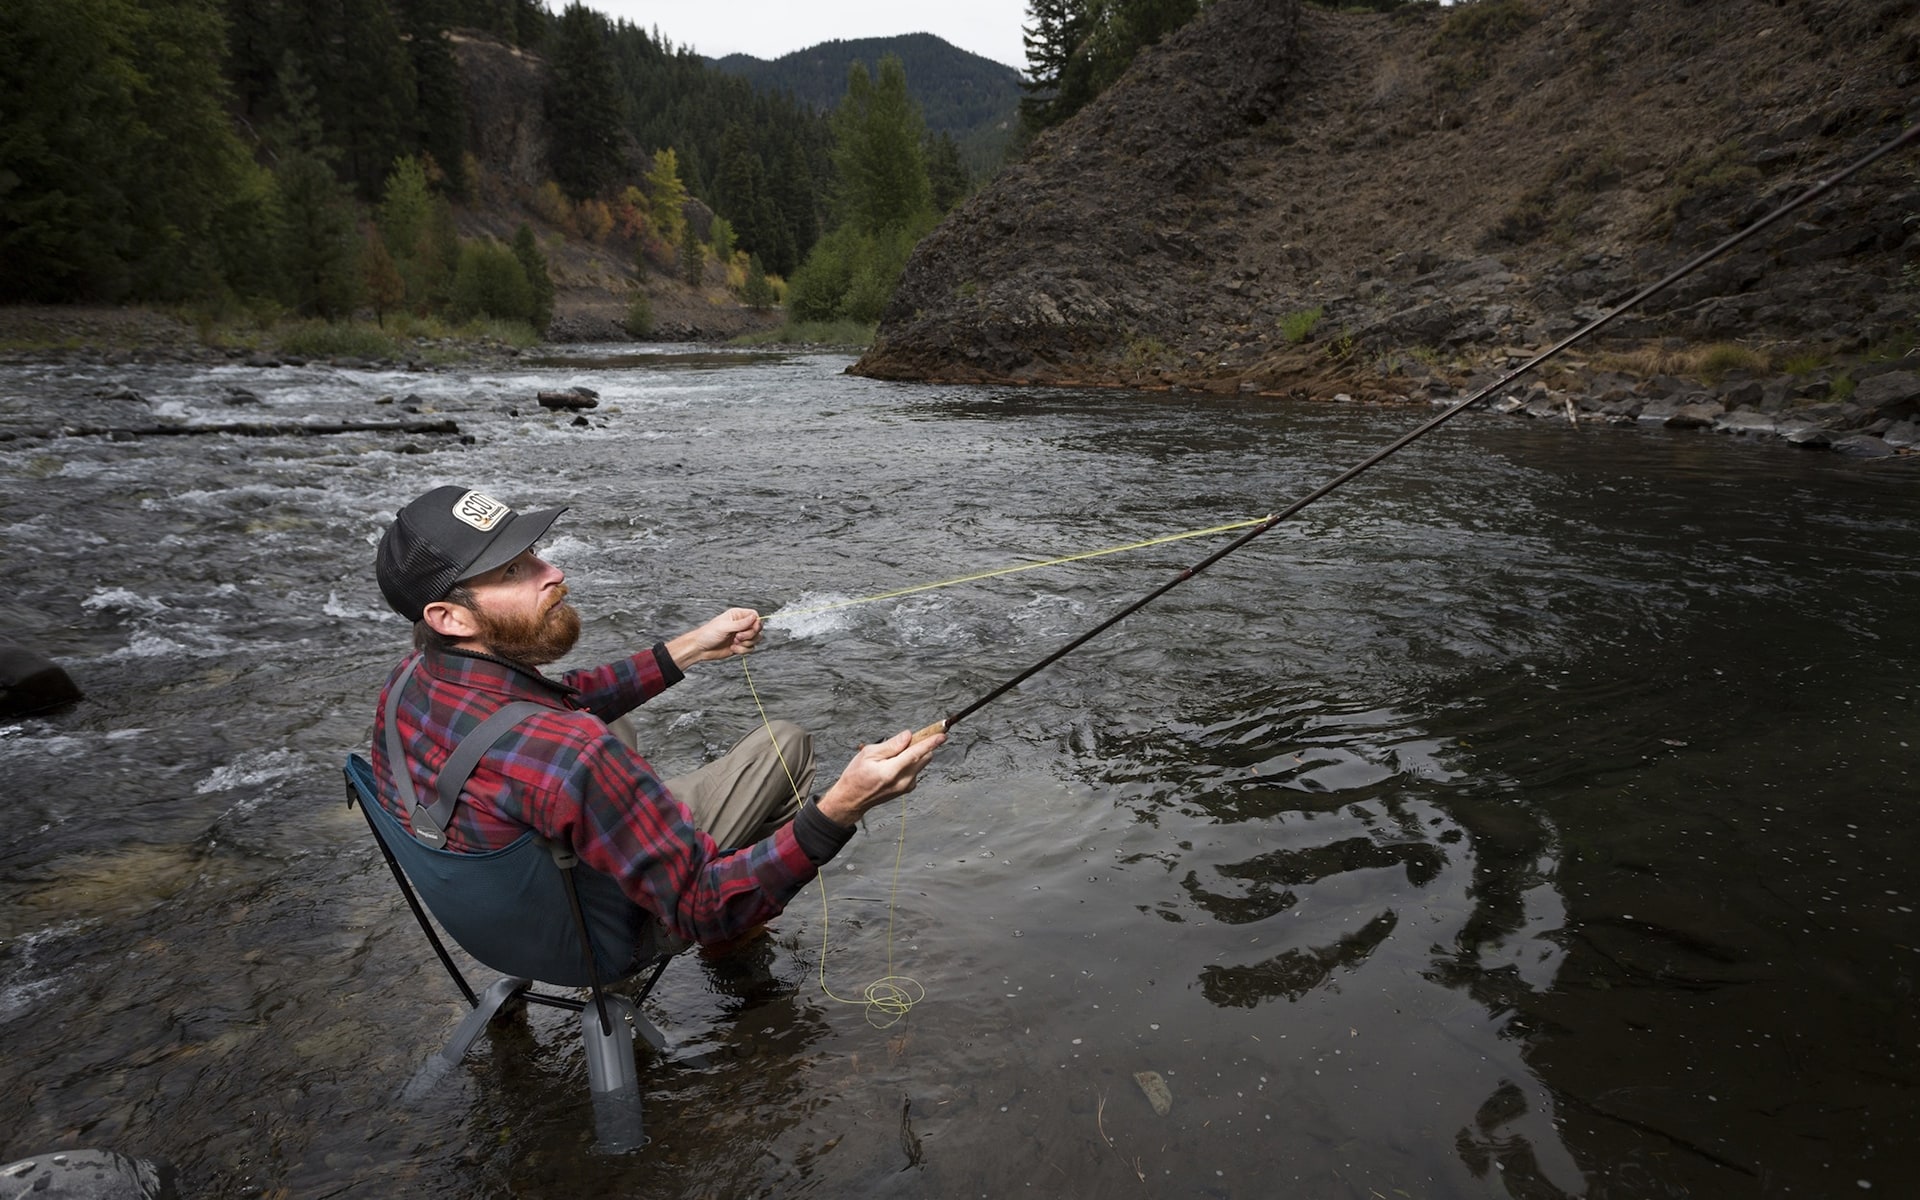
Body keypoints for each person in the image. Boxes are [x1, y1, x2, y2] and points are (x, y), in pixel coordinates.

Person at [369, 484, 943, 965]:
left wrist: (689, 648)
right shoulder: (570, 752)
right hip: (597, 942)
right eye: (517, 569)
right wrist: (842, 808)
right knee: (784, 744)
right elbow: (701, 904)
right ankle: (733, 948)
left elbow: (562, 700)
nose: (554, 571)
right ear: (449, 617)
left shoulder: (411, 679)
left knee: (615, 736)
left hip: (497, 931)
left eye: (537, 553)